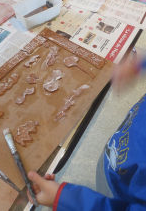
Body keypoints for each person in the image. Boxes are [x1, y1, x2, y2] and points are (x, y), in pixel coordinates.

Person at [27, 54, 146, 210]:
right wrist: (139, 65)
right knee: (106, 176)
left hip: (128, 192)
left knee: (112, 195)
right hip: (120, 153)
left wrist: (63, 198)